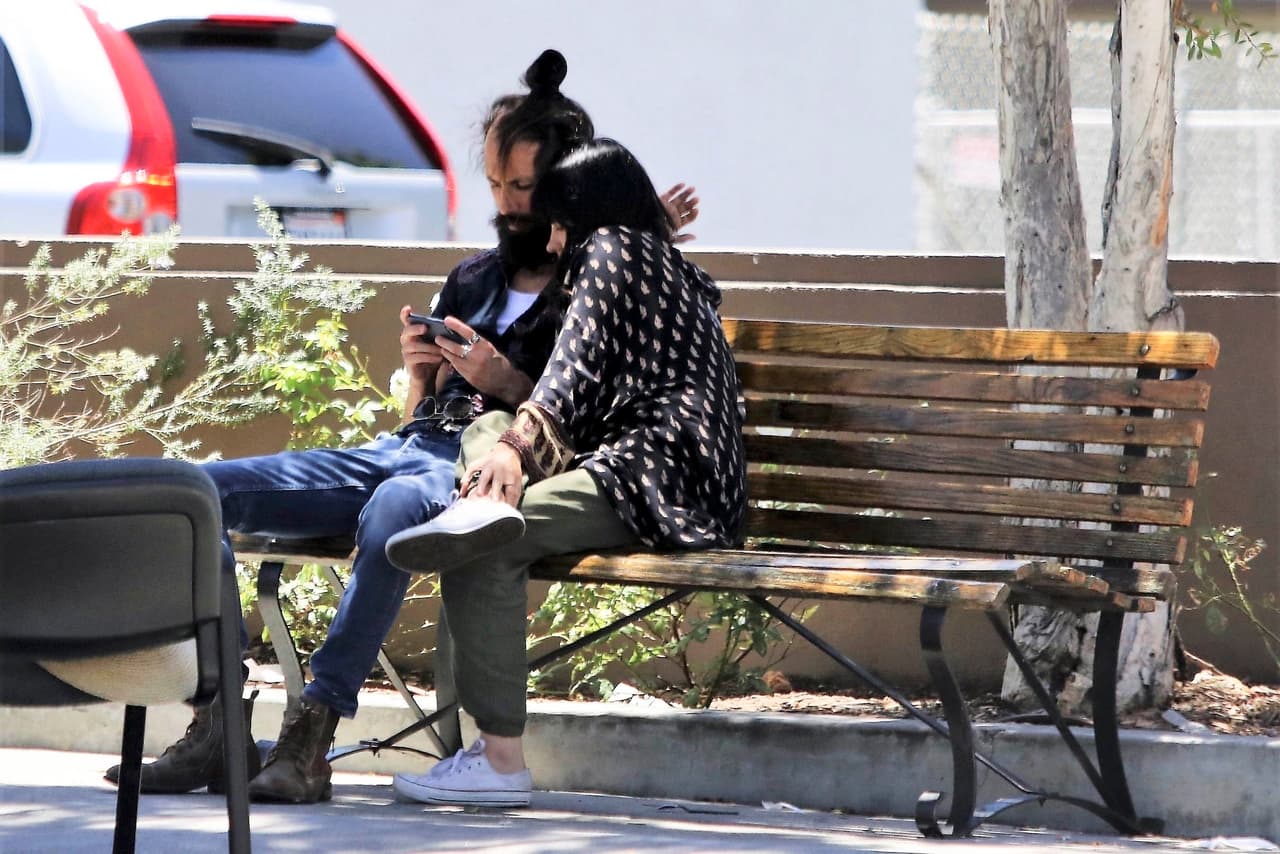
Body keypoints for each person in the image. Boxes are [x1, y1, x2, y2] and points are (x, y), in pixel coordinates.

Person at [104, 51, 700, 805]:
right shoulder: (476, 276)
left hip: (485, 472)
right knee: (199, 496)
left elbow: (587, 412)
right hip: (412, 449)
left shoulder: (593, 281)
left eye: (522, 186)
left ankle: (312, 733)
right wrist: (422, 371)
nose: (507, 203)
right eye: (493, 183)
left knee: (391, 514)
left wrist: (502, 382)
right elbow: (418, 425)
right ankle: (216, 718)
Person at [383, 138, 747, 807]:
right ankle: (477, 506)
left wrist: (518, 454)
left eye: (558, 225)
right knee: (484, 429)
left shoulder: (611, 250)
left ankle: (498, 762)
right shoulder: (652, 258)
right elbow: (571, 392)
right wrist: (503, 447)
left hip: (661, 481)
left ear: (589, 217)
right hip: (627, 468)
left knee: (491, 539)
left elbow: (568, 377)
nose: (552, 245)